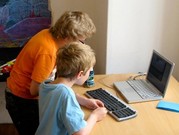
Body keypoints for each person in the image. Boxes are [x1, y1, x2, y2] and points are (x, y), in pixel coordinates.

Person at [5, 11, 96, 135]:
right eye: (80, 41)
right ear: (68, 37)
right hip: (21, 99)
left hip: (20, 92)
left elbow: (50, 87)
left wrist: (82, 100)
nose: (80, 44)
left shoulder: (47, 34)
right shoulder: (48, 52)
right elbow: (35, 90)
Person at [35, 42, 107, 135]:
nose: (90, 74)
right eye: (90, 70)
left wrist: (84, 101)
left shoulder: (46, 85)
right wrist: (95, 116)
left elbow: (58, 96)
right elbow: (80, 133)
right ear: (80, 74)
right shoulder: (66, 95)